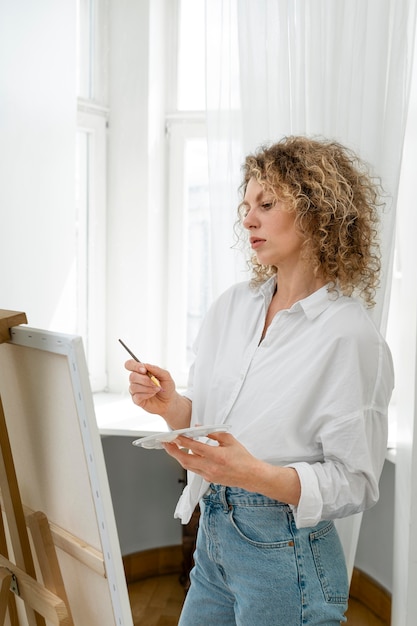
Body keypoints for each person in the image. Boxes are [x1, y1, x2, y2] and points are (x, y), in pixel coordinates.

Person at [125, 136, 394, 625]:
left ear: (317, 212)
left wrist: (252, 475)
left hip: (286, 552)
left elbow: (355, 483)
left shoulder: (351, 337)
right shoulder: (232, 305)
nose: (248, 218)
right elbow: (209, 422)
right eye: (245, 205)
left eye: (266, 204)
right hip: (215, 538)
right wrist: (171, 406)